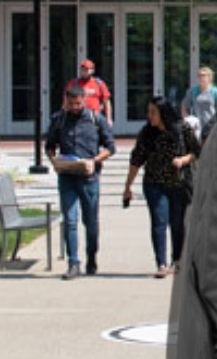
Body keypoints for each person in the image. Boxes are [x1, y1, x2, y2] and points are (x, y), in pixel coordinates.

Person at [45, 83, 116, 279]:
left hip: (89, 178)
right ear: (66, 102)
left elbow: (111, 147)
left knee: (91, 222)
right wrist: (55, 161)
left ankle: (91, 255)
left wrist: (94, 161)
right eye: (71, 104)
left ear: (84, 101)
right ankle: (73, 262)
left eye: (77, 103)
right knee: (70, 221)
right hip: (67, 177)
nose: (74, 107)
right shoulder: (59, 120)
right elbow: (50, 146)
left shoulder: (96, 120)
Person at [123, 95, 200, 277]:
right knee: (159, 221)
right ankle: (161, 264)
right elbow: (136, 160)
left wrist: (183, 160)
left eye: (153, 112)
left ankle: (177, 260)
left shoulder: (182, 128)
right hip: (154, 184)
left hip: (178, 183)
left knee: (177, 223)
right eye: (148, 112)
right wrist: (127, 187)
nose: (149, 116)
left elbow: (196, 151)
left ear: (163, 113)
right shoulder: (147, 133)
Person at [182, 67, 217, 141]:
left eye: (203, 75)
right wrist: (187, 121)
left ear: (209, 77)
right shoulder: (192, 91)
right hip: (196, 127)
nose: (201, 78)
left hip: (211, 126)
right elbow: (184, 106)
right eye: (199, 76)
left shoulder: (216, 92)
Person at [65, 58, 112, 124]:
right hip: (77, 117)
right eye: (82, 69)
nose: (84, 72)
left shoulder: (99, 83)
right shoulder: (74, 83)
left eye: (87, 70)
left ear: (92, 71)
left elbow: (106, 102)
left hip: (94, 117)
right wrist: (64, 116)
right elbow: (66, 100)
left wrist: (108, 118)